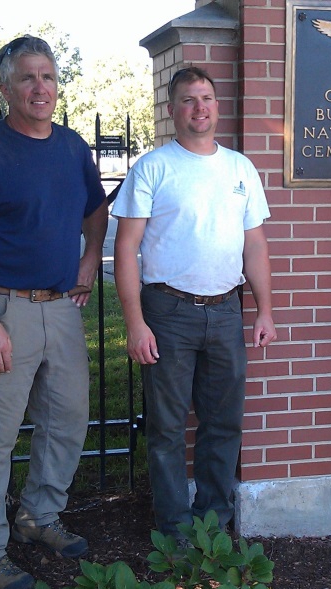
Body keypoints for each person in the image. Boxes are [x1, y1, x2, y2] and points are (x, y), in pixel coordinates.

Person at [0, 35, 108, 589]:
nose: (40, 87)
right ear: (6, 87)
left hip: (61, 310)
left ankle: (39, 516)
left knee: (67, 421)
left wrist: (87, 259)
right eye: (28, 77)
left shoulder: (73, 148)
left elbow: (96, 212)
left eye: (49, 77)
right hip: (4, 307)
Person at [112, 66, 277, 539]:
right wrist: (135, 323)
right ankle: (173, 529)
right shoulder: (153, 168)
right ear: (172, 110)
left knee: (223, 423)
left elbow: (256, 246)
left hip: (227, 310)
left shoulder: (240, 168)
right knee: (166, 429)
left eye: (206, 97)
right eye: (188, 99)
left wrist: (264, 308)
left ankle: (212, 523)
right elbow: (126, 249)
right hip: (168, 311)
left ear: (217, 105)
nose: (199, 107)